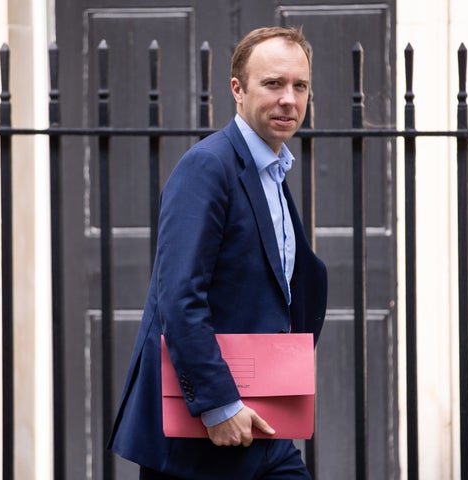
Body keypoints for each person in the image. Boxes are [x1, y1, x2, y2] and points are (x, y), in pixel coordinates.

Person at [107, 26, 327, 480]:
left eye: (299, 85)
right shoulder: (208, 166)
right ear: (237, 89)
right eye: (273, 84)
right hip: (201, 440)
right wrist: (218, 405)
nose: (289, 98)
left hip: (266, 428)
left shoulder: (273, 171)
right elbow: (179, 298)